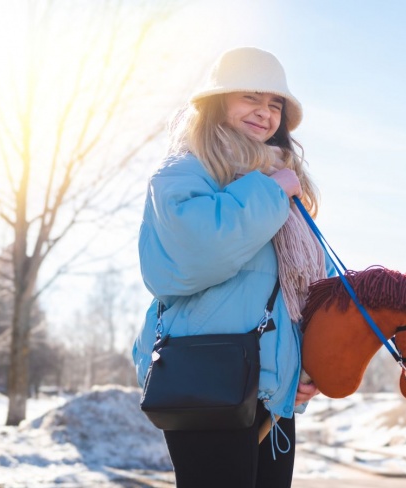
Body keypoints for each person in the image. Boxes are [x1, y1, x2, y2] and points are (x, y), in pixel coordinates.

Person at [132, 47, 333, 487]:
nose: (265, 113)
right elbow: (196, 253)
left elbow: (304, 290)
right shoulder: (185, 171)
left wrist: (307, 366)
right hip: (206, 378)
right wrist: (271, 192)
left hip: (270, 386)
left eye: (275, 104)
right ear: (216, 102)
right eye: (251, 98)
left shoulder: (279, 186)